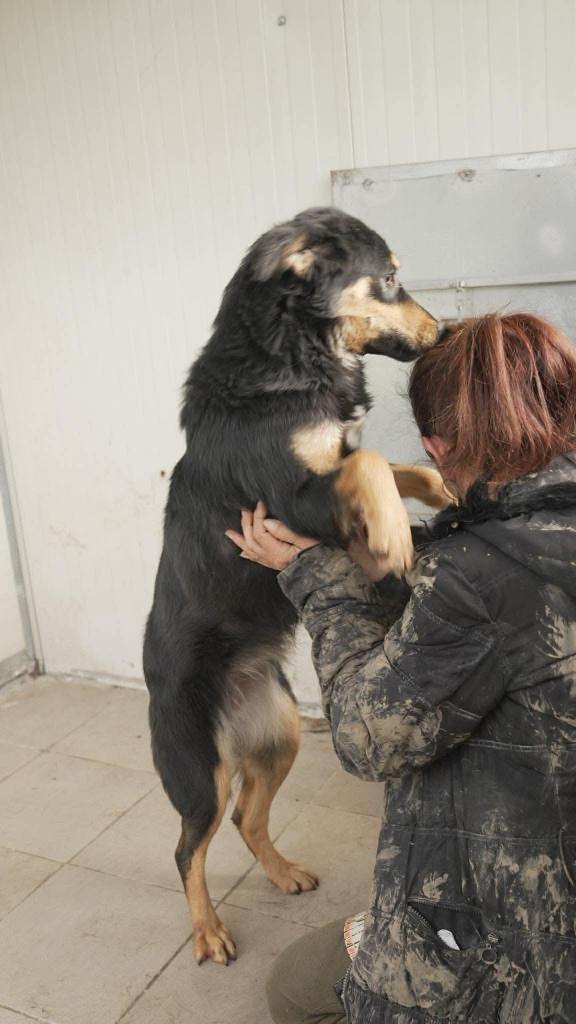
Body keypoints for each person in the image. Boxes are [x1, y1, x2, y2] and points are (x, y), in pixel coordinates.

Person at [226, 313, 576, 1024]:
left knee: (293, 988)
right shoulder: (535, 533)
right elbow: (491, 610)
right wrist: (376, 553)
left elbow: (366, 738)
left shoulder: (478, 576)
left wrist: (318, 577)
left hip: (522, 931)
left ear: (435, 447)